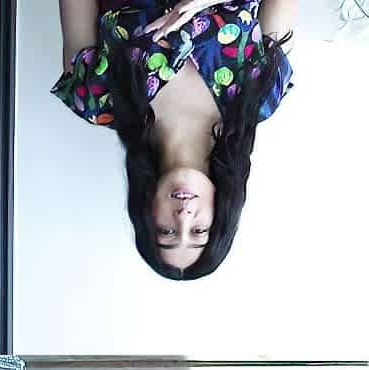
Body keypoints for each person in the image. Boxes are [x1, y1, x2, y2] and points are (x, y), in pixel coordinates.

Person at [52, 0, 295, 279]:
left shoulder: (96, 99)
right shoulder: (259, 95)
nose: (183, 215)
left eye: (166, 231)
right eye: (198, 231)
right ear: (220, 217)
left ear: (146, 215)